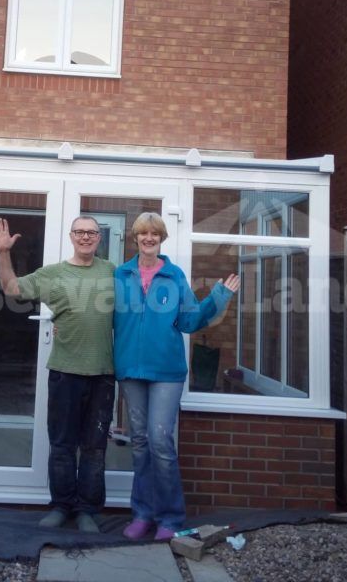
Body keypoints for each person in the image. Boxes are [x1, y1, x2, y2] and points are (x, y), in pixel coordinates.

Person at [113, 211, 240, 541]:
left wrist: (218, 297)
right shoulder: (121, 275)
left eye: (155, 233)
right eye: (143, 233)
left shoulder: (174, 276)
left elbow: (189, 321)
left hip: (166, 372)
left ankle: (169, 518)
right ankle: (142, 514)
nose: (149, 238)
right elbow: (101, 317)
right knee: (139, 444)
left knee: (161, 442)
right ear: (136, 238)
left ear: (162, 239)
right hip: (130, 370)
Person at [0, 215, 115, 533]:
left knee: (94, 446)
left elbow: (143, 287)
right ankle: (61, 506)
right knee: (61, 444)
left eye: (92, 233)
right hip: (64, 372)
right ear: (71, 236)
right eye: (80, 232)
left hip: (102, 374)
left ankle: (87, 510)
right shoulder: (53, 274)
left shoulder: (114, 272)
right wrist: (3, 252)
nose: (86, 237)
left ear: (99, 238)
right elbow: (11, 288)